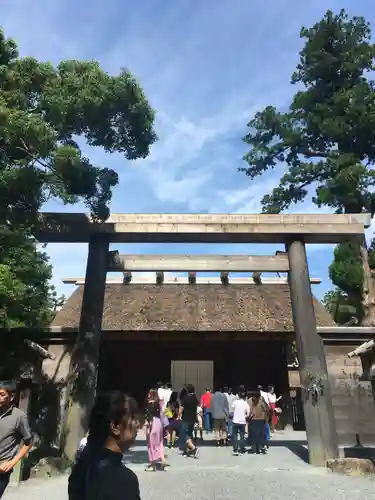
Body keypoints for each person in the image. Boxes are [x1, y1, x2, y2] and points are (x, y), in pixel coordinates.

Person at [68, 391, 141, 500]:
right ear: (115, 427)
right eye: (133, 417)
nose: (138, 424)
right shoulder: (123, 480)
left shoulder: (81, 467)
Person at [0, 380, 32, 499]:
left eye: (2, 395)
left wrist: (12, 462)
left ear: (11, 397)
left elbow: (28, 443)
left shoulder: (19, 417)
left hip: (2, 470)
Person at [145, 401, 169, 471]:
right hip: (159, 427)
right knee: (159, 444)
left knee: (151, 446)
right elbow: (165, 420)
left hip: (152, 428)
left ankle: (153, 465)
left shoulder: (149, 416)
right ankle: (162, 459)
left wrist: (147, 434)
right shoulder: (159, 415)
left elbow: (148, 426)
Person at [179, 384, 199, 458]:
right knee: (190, 434)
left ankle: (194, 448)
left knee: (184, 434)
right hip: (193, 418)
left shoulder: (185, 398)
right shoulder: (195, 398)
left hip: (186, 418)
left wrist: (179, 415)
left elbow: (181, 408)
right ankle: (188, 450)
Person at [248, 390, 269, 454]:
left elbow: (248, 411)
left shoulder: (249, 401)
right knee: (260, 434)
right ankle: (259, 448)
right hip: (261, 420)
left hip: (253, 420)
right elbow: (266, 410)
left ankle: (254, 449)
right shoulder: (261, 402)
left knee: (253, 434)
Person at [231, 392, 249, 456]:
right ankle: (241, 450)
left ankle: (235, 450)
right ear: (244, 397)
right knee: (242, 436)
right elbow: (248, 413)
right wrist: (245, 416)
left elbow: (232, 409)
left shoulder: (235, 402)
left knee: (235, 436)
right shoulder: (245, 403)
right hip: (242, 422)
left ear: (238, 396)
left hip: (235, 421)